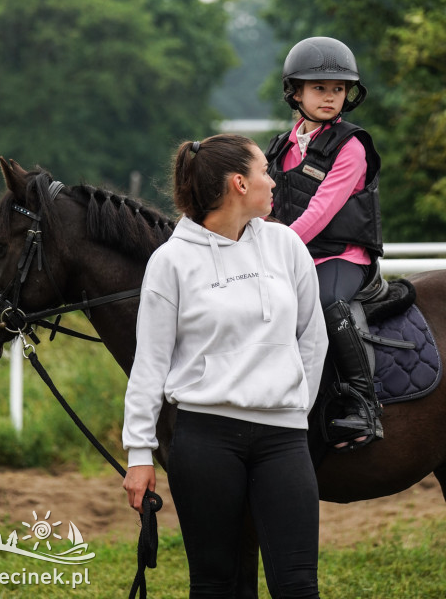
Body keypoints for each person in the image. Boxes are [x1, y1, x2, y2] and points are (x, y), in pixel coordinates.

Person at [123, 133, 328, 599]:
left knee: (299, 586)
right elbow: (150, 365)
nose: (273, 182)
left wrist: (295, 407)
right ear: (239, 183)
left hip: (283, 441)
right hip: (206, 441)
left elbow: (312, 338)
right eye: (263, 172)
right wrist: (139, 453)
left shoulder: (286, 245)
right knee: (215, 585)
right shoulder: (170, 262)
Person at [265, 36, 384, 452]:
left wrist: (275, 247)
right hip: (297, 255)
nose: (331, 97)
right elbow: (266, 205)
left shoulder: (352, 146)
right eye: (320, 88)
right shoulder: (281, 146)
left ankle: (361, 400)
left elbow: (320, 211)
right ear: (295, 93)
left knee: (330, 303)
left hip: (342, 256)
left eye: (338, 89)